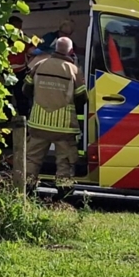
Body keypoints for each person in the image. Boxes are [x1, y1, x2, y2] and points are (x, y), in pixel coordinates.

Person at [22, 36, 87, 200]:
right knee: (65, 162)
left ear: (55, 48)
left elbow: (26, 89)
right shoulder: (74, 70)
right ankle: (64, 196)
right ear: (71, 51)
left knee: (32, 159)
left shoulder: (39, 64)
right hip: (64, 126)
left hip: (38, 123)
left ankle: (27, 192)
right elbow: (82, 97)